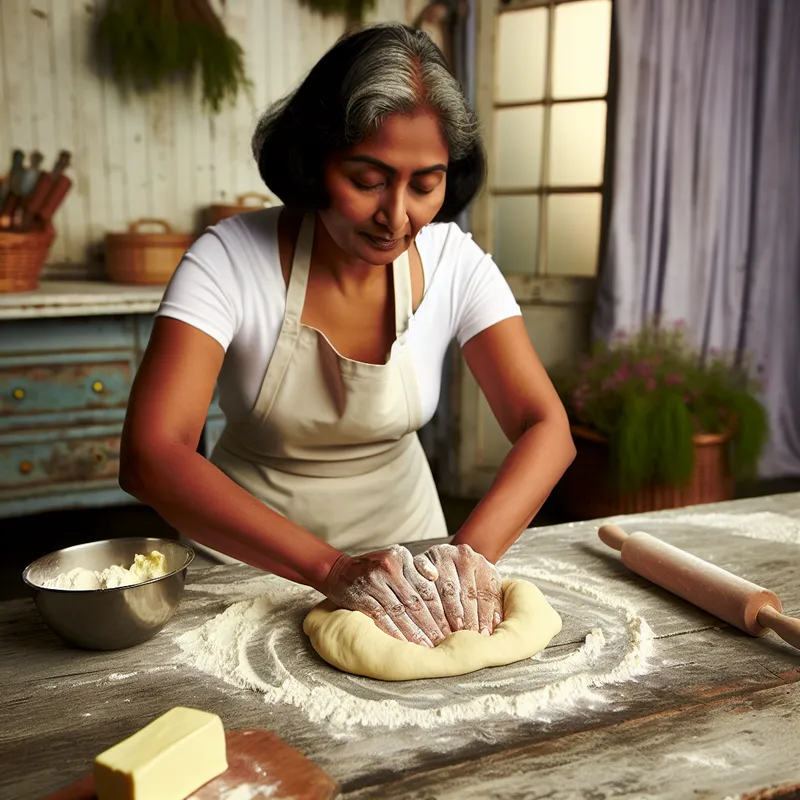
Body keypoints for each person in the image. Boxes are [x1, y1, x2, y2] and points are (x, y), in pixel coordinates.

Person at [120, 23, 575, 649]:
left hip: (415, 564)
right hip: (244, 569)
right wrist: (329, 569)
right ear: (314, 163)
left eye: (425, 184)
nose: (397, 216)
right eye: (368, 180)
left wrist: (465, 560)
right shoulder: (228, 258)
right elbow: (150, 454)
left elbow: (546, 426)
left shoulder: (454, 263)